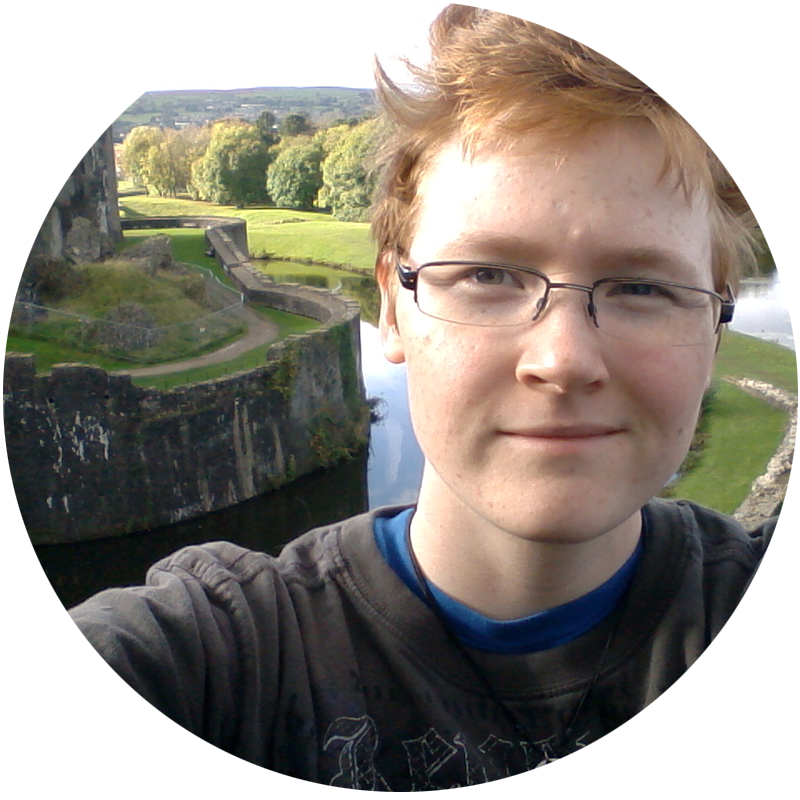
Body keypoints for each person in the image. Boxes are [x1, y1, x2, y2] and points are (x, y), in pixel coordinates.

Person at [4, 0, 796, 791]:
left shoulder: (771, 646)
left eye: (643, 287)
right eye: (488, 274)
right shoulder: (220, 672)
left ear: (716, 324)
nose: (561, 360)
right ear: (390, 306)